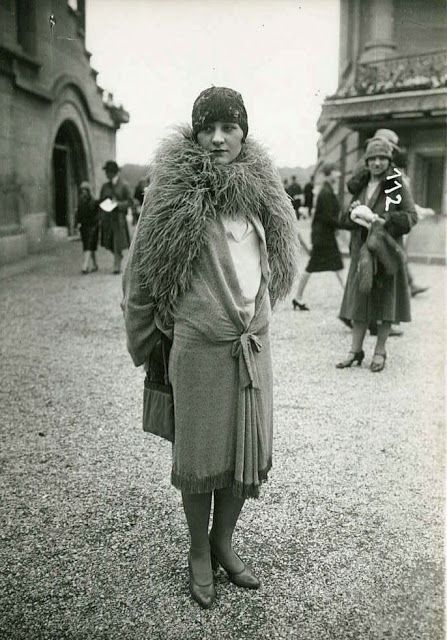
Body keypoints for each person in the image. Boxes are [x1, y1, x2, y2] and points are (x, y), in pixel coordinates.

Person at [122, 87, 299, 609]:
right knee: (200, 456)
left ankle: (224, 542)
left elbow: (269, 265)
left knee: (245, 449)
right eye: (208, 128)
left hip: (252, 348)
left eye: (230, 128)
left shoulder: (263, 191)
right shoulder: (171, 193)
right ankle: (199, 549)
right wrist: (145, 342)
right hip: (200, 349)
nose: (219, 139)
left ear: (245, 131)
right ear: (195, 132)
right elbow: (141, 277)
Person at [337, 138, 417, 372]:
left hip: (384, 251)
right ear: (367, 162)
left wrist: (385, 221)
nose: (377, 163)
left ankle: (380, 351)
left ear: (389, 160)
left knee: (385, 303)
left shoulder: (393, 183)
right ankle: (355, 350)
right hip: (362, 252)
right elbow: (343, 219)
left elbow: (410, 216)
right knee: (359, 302)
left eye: (382, 158)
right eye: (373, 159)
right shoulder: (361, 184)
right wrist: (351, 213)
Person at [292, 162, 344, 311]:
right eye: (336, 171)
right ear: (330, 174)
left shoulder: (326, 190)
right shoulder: (326, 192)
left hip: (323, 236)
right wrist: (344, 224)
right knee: (326, 267)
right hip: (324, 237)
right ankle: (297, 297)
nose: (339, 174)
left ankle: (298, 298)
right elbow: (328, 217)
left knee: (333, 266)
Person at [99, 160, 132, 274]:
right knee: (108, 242)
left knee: (117, 242)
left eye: (107, 172)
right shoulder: (105, 186)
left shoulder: (124, 185)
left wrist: (118, 204)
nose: (106, 174)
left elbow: (130, 202)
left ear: (113, 172)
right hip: (107, 218)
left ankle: (116, 264)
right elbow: (101, 200)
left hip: (119, 219)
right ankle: (118, 256)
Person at [76, 181, 99, 274]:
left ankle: (84, 266)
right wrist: (78, 223)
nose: (83, 192)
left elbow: (97, 213)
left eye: (85, 190)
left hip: (92, 226)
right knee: (90, 246)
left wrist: (97, 222)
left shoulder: (93, 201)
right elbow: (78, 214)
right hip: (84, 227)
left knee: (88, 246)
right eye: (82, 190)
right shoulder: (80, 201)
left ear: (88, 191)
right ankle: (94, 264)